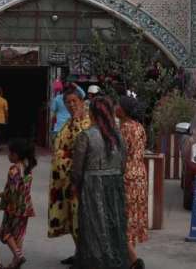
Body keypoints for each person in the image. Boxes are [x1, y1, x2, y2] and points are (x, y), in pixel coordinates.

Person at [71, 95, 129, 269]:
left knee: (93, 227)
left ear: (93, 114)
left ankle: (94, 263)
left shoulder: (86, 136)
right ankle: (115, 261)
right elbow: (123, 164)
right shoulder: (118, 137)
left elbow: (77, 169)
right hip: (115, 185)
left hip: (92, 187)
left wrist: (76, 186)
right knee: (114, 225)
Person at [47, 84, 91, 265]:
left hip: (76, 179)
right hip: (62, 181)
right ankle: (78, 253)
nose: (71, 105)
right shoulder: (68, 122)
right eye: (68, 102)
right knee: (70, 218)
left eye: (74, 101)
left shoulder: (86, 123)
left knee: (79, 218)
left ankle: (84, 256)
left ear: (81, 102)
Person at [117, 96, 149, 269]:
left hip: (126, 176)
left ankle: (134, 260)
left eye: (118, 105)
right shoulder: (139, 127)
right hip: (139, 174)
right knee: (133, 217)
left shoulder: (124, 128)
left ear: (123, 110)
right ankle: (128, 259)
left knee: (122, 218)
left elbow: (119, 154)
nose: (115, 107)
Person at [0, 137, 36, 269]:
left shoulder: (14, 169)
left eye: (9, 153)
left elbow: (13, 191)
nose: (8, 155)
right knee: (19, 235)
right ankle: (15, 263)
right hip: (26, 206)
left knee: (5, 233)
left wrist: (0, 195)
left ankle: (18, 255)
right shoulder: (27, 167)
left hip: (14, 207)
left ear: (15, 154)